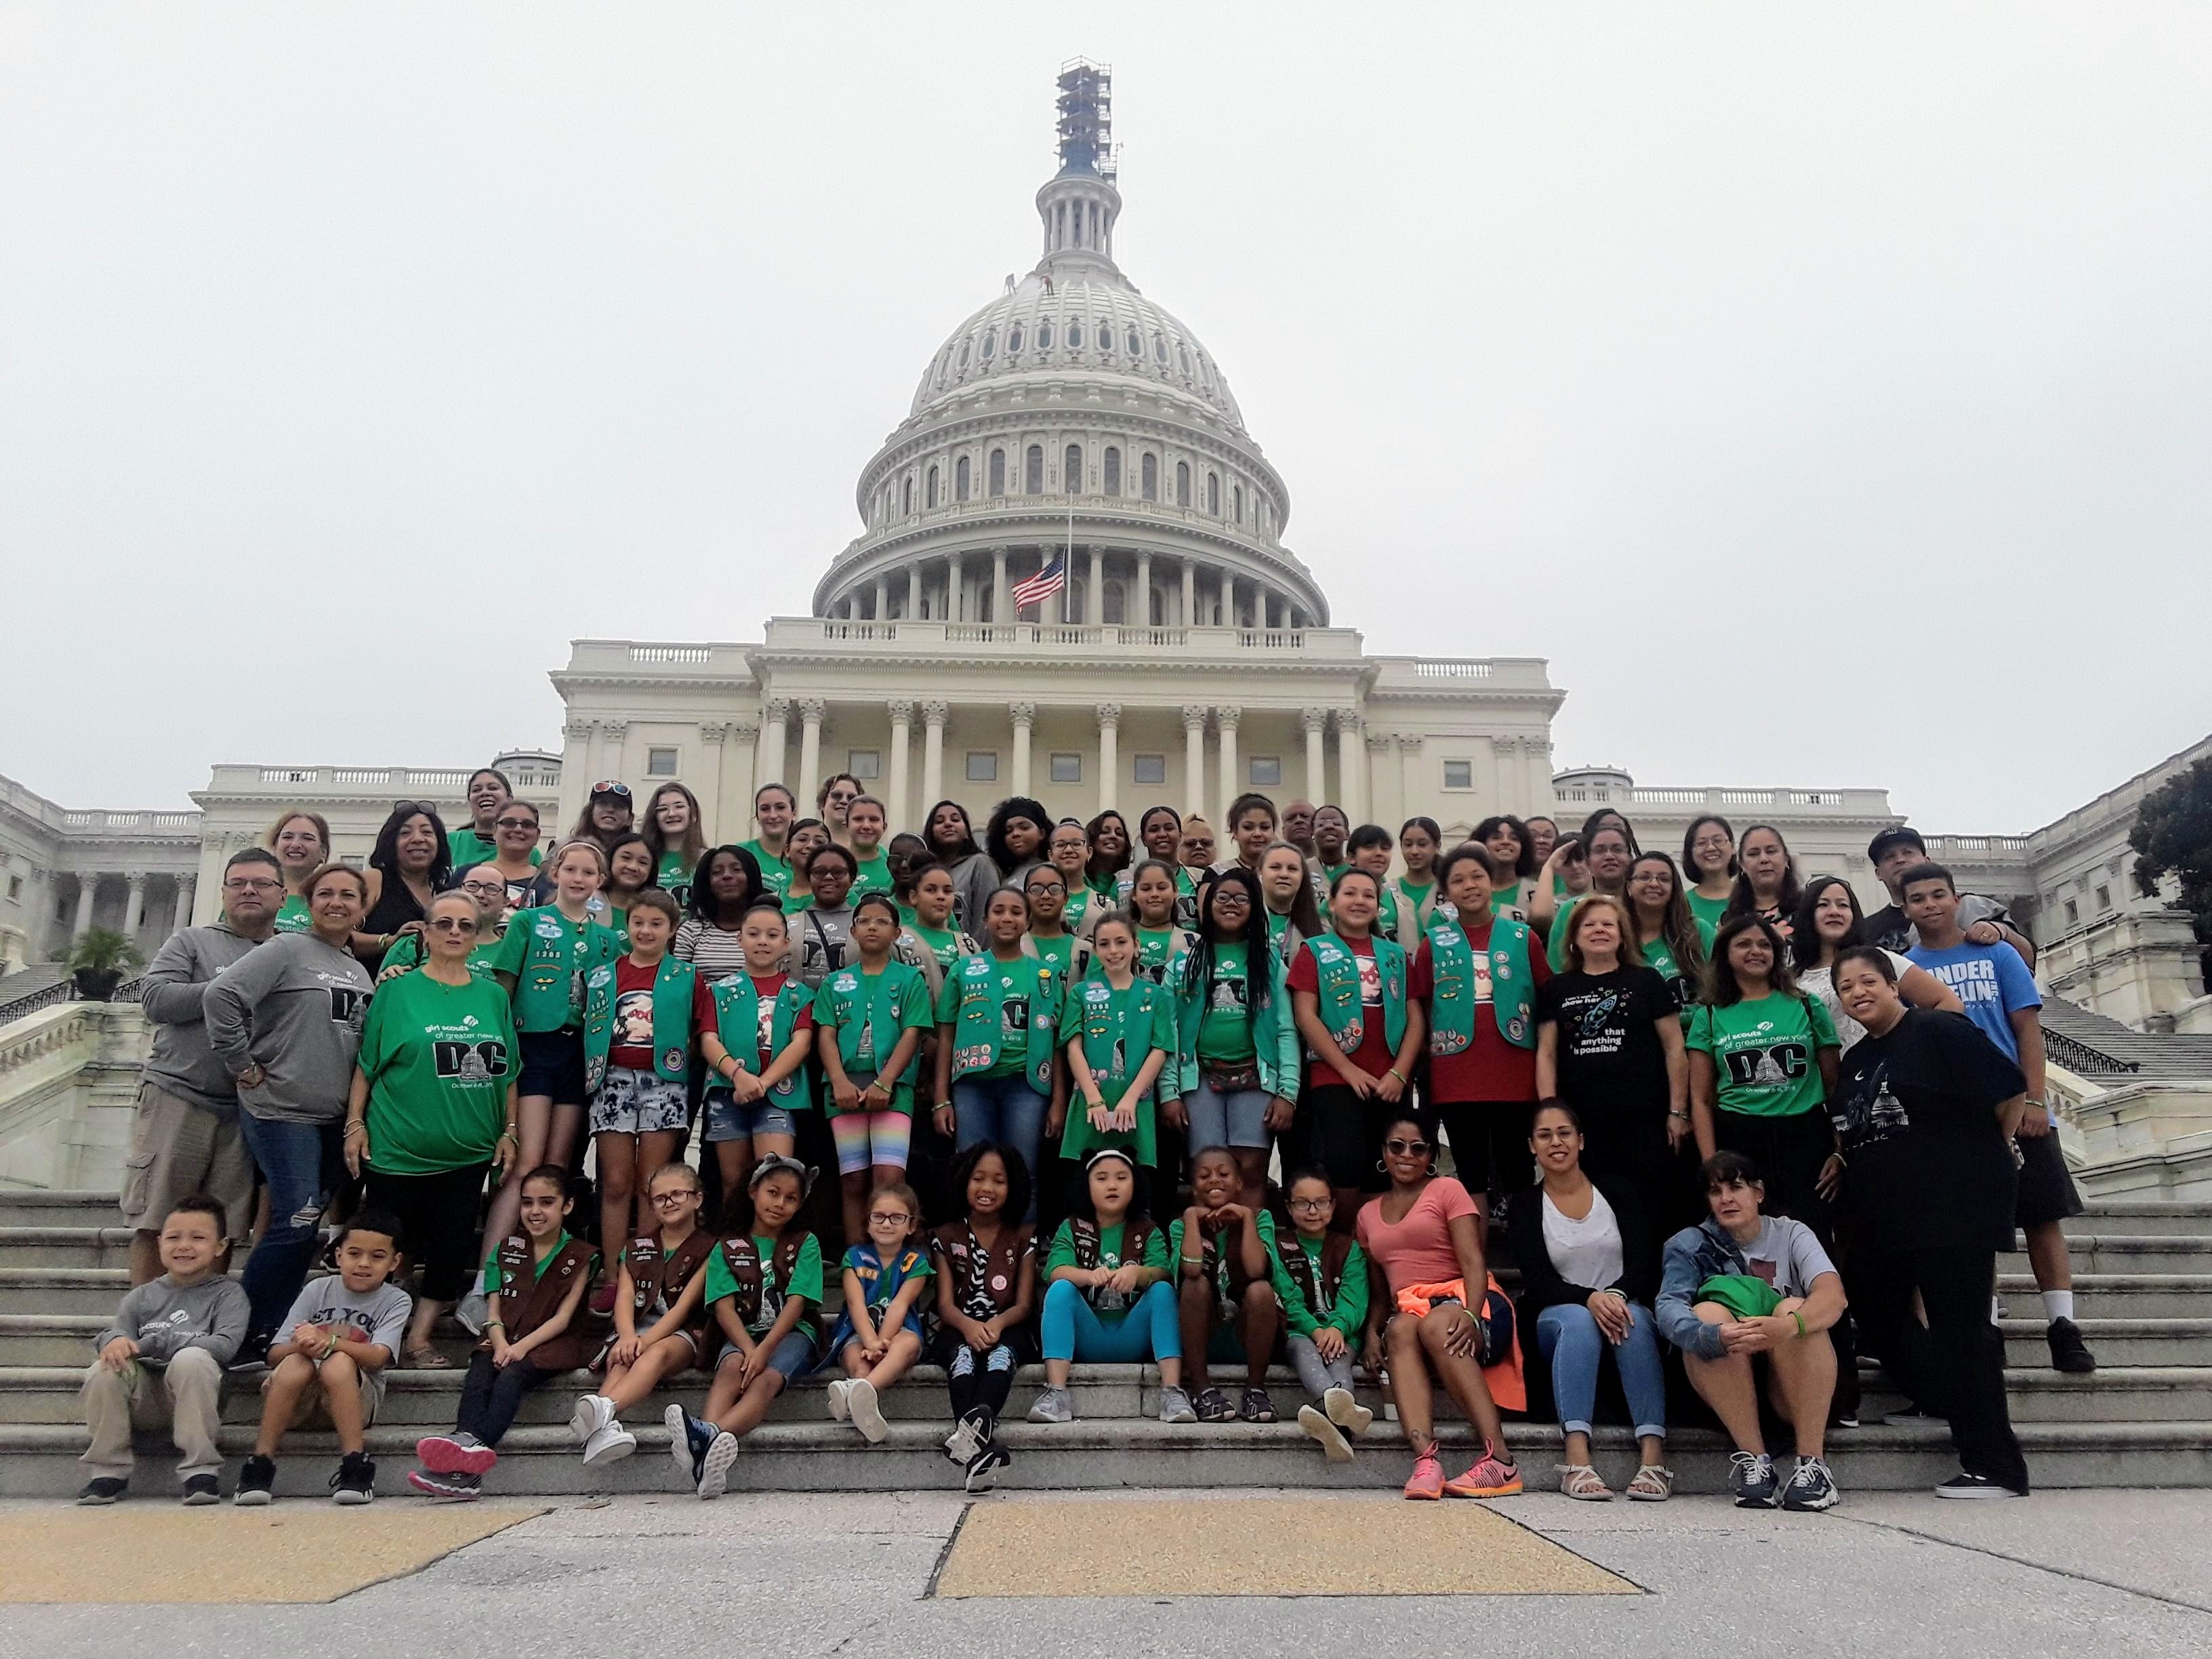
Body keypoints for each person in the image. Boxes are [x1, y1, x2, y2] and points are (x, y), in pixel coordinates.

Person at [1830, 947, 2034, 1496]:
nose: (1858, 993)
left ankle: (1995, 1466)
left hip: (1954, 1209)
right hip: (1888, 1217)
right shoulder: (1855, 1061)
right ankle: (1943, 1397)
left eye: (1868, 980)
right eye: (1847, 987)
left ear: (1894, 984)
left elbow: (2009, 1090)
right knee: (1871, 1306)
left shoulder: (1938, 1030)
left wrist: (1987, 1150)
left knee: (1962, 1331)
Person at [1902, 863, 2094, 1372]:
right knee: (1973, 1230)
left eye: (1938, 895)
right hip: (1955, 1117)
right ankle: (1985, 1330)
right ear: (1905, 908)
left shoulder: (1998, 953)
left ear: (1956, 898)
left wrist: (2035, 1098)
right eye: (1918, 898)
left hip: (2017, 1103)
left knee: (2041, 1218)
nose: (1930, 905)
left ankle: (2063, 1325)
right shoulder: (1905, 969)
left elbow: (2028, 1031)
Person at [203, 861, 374, 1359]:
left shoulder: (357, 969)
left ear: (363, 909)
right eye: (326, 893)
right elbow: (222, 996)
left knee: (306, 1224)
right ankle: (244, 1332)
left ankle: (272, 1327)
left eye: (349, 895)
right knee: (295, 1221)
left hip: (332, 1117)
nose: (337, 902)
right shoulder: (286, 948)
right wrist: (242, 1064)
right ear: (308, 901)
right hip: (282, 1108)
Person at [347, 890, 519, 1366]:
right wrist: (354, 1124)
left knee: (448, 1251)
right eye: (444, 924)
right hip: (398, 1148)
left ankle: (420, 1338)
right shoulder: (395, 991)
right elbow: (367, 1065)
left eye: (465, 925)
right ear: (425, 933)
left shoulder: (492, 997)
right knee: (387, 1248)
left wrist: (509, 1131)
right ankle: (379, 1332)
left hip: (467, 1153)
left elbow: (509, 1073)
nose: (455, 933)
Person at [1656, 1153, 1847, 1511]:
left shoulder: (1791, 1232)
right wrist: (1713, 1336)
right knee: (1707, 1314)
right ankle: (1756, 1464)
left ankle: (1814, 1466)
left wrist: (1787, 1327)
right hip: (1726, 1378)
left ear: (1759, 1193)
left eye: (1736, 1187)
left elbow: (1834, 1297)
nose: (1726, 1198)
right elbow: (1668, 1309)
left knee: (1793, 1308)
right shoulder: (1690, 1244)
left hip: (1793, 1376)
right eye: (1716, 1191)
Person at [125, 847, 281, 1286]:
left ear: (283, 896)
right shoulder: (191, 941)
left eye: (262, 883)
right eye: (239, 883)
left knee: (224, 1227)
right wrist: (226, 990)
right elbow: (156, 1000)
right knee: (159, 1218)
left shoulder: (291, 952)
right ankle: (143, 1324)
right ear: (225, 892)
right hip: (179, 1093)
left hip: (247, 1107)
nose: (249, 890)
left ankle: (203, 1327)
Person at [1356, 1108, 1524, 1500]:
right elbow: (1382, 1292)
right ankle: (1426, 1462)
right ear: (1384, 1151)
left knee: (1436, 1324)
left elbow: (1474, 1263)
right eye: (1397, 1146)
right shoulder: (1366, 1215)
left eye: (1418, 1148)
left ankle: (1501, 1460)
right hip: (1411, 1312)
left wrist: (1469, 1312)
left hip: (1473, 1303)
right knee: (1399, 1326)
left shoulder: (1447, 1190)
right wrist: (1369, 1333)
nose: (1407, 1155)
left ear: (1431, 1156)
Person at [1508, 1103, 1671, 1501]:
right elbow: (1539, 1281)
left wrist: (1612, 1295)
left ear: (1580, 1141)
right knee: (1580, 1321)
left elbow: (1645, 1263)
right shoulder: (1525, 1205)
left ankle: (1654, 1459)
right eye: (1544, 1135)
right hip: (1556, 1320)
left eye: (1564, 1133)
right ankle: (1577, 1459)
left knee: (1630, 1316)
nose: (1556, 1142)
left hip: (1621, 1308)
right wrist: (1589, 1299)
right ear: (1532, 1146)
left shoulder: (1616, 1190)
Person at [408, 1166, 595, 1500]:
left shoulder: (581, 1255)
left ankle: (467, 1455)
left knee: (510, 1377)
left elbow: (564, 1318)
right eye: (527, 1203)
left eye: (546, 1202)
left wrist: (519, 1348)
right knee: (479, 1373)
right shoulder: (504, 1249)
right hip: (500, 1339)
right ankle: (464, 1451)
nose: (535, 1211)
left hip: (550, 1343)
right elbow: (493, 1312)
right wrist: (499, 1342)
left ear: (567, 1207)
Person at [667, 1155, 824, 1500]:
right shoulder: (727, 1245)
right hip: (743, 1333)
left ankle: (707, 1436)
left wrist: (765, 1351)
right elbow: (723, 1305)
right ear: (753, 1191)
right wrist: (749, 1348)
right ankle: (707, 1464)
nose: (780, 1203)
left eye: (791, 1198)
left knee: (765, 1380)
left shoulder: (805, 1242)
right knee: (730, 1369)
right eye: (773, 1192)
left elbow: (798, 1301)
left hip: (793, 1335)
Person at [75, 1195, 250, 1505]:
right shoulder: (141, 1297)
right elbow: (118, 1336)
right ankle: (107, 1472)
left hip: (197, 1394)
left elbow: (224, 1346)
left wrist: (152, 1344)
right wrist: (113, 1342)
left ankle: (200, 1471)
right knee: (107, 1367)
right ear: (159, 1243)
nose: (184, 1246)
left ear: (220, 1247)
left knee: (192, 1358)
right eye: (173, 1238)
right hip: (145, 1400)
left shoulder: (228, 1294)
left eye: (198, 1238)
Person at [233, 1211, 411, 1505]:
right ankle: (260, 1463)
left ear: (394, 1263)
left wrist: (328, 1341)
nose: (364, 1264)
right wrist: (303, 1346)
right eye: (354, 1254)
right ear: (338, 1256)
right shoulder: (317, 1289)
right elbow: (275, 1353)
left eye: (377, 1257)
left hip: (355, 1400)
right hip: (298, 1400)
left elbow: (379, 1356)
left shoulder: (396, 1300)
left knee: (338, 1361)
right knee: (295, 1362)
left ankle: (356, 1464)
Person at [1536, 893, 1689, 1231]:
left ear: (1623, 935)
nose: (1599, 930)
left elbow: (1675, 1048)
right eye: (1589, 925)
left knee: (1653, 1207)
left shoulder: (1647, 981)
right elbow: (1546, 1053)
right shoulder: (1556, 988)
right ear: (1574, 937)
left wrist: (1678, 1111)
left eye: (1609, 924)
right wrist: (1549, 1113)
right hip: (1585, 1121)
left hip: (1645, 1120)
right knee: (1601, 1209)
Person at [1417, 844, 1549, 1218]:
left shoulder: (1524, 938)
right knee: (1470, 1174)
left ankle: (1528, 1255)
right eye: (1457, 880)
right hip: (1456, 1074)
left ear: (1492, 883)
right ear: (1446, 891)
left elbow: (1544, 1002)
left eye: (1477, 876)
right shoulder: (1433, 943)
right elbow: (1424, 1008)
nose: (1469, 886)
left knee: (1518, 1168)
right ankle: (1476, 1265)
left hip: (1514, 1070)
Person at [1289, 867, 1425, 1226]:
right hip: (1335, 1078)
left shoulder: (1396, 955)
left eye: (1369, 894)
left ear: (1379, 906)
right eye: (1350, 893)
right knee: (1344, 1163)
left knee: (1388, 1165)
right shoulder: (1313, 951)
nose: (1359, 901)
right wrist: (1347, 1069)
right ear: (1331, 903)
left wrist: (1400, 1073)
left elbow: (1415, 1018)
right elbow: (1306, 1016)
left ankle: (1379, 1245)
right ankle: (1346, 1246)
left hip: (1391, 1081)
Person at [487, 839, 622, 1195]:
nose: (579, 878)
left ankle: (545, 1248)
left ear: (601, 880)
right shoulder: (527, 922)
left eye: (588, 872)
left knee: (557, 1165)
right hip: (533, 1047)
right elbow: (503, 989)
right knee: (526, 1162)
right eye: (571, 869)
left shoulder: (608, 940)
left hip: (579, 1053)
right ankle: (499, 1248)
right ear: (555, 873)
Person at [1687, 914, 1841, 1226]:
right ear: (1725, 955)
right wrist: (1711, 1164)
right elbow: (1701, 1100)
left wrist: (1839, 1150)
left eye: (1764, 945)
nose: (1755, 951)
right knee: (1748, 1237)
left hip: (1805, 1138)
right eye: (1743, 944)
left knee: (1813, 1233)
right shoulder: (1708, 1013)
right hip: (1740, 1137)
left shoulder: (1807, 1005)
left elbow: (1834, 1087)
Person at [1164, 865, 1298, 1210]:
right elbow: (1169, 1033)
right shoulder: (1183, 964)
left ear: (1255, 906)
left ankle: (1244, 1256)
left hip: (1256, 1076)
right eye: (1222, 898)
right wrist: (1169, 1093)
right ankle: (1210, 1256)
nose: (1231, 905)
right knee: (1209, 1170)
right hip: (1200, 1078)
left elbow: (1286, 1029)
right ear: (1208, 906)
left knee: (1250, 1169)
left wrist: (1288, 1093)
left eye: (1241, 899)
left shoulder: (1269, 964)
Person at [581, 890, 697, 1286]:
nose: (645, 931)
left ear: (672, 930)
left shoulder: (686, 976)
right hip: (611, 1079)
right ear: (626, 926)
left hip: (664, 1082)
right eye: (638, 923)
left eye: (656, 924)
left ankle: (647, 1277)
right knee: (615, 1182)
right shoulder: (602, 974)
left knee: (653, 1183)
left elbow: (700, 1032)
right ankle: (614, 1277)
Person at [1028, 1147, 1190, 1425]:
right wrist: (1088, 1276)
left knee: (1163, 1291)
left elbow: (1164, 1271)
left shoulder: (1147, 1229)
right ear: (1086, 1185)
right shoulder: (1072, 1227)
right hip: (1088, 1335)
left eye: (1121, 1178)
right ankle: (1056, 1393)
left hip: (1132, 1334)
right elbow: (1055, 1270)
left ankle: (1172, 1392)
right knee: (1060, 1291)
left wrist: (1139, 1274)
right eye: (1101, 1178)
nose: (1112, 1185)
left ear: (1135, 1184)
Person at [569, 1161, 716, 1465]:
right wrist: (625, 1337)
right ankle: (603, 1432)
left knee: (654, 1353)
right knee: (622, 1358)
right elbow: (624, 1297)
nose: (669, 1202)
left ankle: (603, 1410)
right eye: (660, 1198)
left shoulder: (711, 1247)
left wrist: (643, 1341)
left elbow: (685, 1307)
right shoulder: (636, 1246)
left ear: (697, 1199)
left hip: (683, 1333)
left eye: (678, 1194)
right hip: (635, 1329)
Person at [813, 892, 935, 1241]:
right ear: (852, 930)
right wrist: (838, 1080)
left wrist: (885, 1082)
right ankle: (857, 1258)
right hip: (843, 1089)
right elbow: (826, 1035)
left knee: (889, 1179)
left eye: (882, 921)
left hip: (893, 1090)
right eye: (865, 921)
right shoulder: (835, 982)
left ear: (897, 933)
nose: (872, 927)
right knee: (852, 1179)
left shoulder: (910, 980)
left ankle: (892, 1259)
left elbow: (912, 1033)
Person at [935, 887, 1062, 1198]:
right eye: (999, 911)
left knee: (1023, 1169)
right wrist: (941, 1098)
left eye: (1017, 912)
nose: (1007, 918)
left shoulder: (1047, 974)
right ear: (985, 919)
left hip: (1027, 1085)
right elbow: (946, 1036)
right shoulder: (963, 970)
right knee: (970, 1167)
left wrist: (1058, 1101)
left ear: (1028, 920)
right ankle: (970, 1243)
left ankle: (1024, 1244)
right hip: (973, 1084)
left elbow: (1058, 1041)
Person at [929, 1142, 1038, 1492]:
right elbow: (944, 1305)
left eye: (999, 1181)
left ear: (1014, 1187)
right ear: (964, 1182)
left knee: (1001, 1356)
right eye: (979, 1179)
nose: (987, 1188)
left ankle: (972, 1448)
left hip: (1008, 1326)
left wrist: (997, 1324)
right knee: (962, 1359)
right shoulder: (946, 1236)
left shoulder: (1024, 1237)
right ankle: (982, 1452)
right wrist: (968, 1326)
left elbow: (1024, 1304)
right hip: (957, 1326)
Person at [698, 901, 815, 1218]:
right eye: (753, 933)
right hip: (727, 1092)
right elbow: (708, 1039)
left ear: (786, 943)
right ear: (740, 939)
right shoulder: (719, 991)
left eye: (772, 934)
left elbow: (801, 1044)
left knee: (776, 1178)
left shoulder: (800, 994)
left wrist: (762, 1083)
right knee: (734, 1181)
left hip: (779, 1095)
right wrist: (738, 1075)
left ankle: (774, 1255)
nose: (762, 941)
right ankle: (736, 1251)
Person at [1170, 1145, 1284, 1424]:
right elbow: (1192, 1267)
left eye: (1224, 1174)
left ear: (1239, 1183)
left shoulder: (1260, 1218)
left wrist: (1246, 1219)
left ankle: (1255, 1390)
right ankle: (1201, 1389)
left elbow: (1257, 1270)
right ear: (1193, 1185)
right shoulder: (1179, 1225)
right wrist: (1190, 1220)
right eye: (1204, 1175)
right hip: (1204, 1335)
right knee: (1194, 1285)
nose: (1214, 1181)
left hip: (1248, 1335)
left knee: (1260, 1291)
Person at [1059, 913, 1174, 1187]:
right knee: (1082, 1186)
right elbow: (1073, 1046)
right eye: (1104, 944)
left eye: (1121, 942)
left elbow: (1160, 1049)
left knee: (1136, 1184)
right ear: (1095, 949)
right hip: (1089, 1103)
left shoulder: (1154, 995)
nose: (1113, 951)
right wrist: (1093, 1098)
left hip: (1136, 1105)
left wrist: (1131, 1097)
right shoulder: (1080, 993)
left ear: (1136, 946)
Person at [1270, 1170, 1373, 1461]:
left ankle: (1333, 1425)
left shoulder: (1347, 1247)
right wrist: (1316, 1330)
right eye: (1303, 1203)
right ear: (1289, 1207)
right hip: (1299, 1332)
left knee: (1339, 1360)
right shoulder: (1280, 1246)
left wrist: (1338, 1328)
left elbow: (1355, 1298)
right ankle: (1346, 1420)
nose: (1313, 1211)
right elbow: (1287, 1296)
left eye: (1321, 1202)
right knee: (1305, 1350)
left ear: (1333, 1205)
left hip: (1344, 1334)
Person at [1791, 874, 1961, 1050]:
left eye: (1843, 905)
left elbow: (1947, 1001)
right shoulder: (1793, 978)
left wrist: (1918, 1049)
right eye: (1823, 905)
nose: (1834, 911)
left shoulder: (1879, 959)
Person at [822, 1181, 934, 1443]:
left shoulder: (917, 1262)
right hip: (857, 1331)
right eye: (879, 1216)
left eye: (897, 1218)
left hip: (900, 1330)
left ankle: (856, 1392)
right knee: (857, 1361)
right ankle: (862, 1397)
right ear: (868, 1222)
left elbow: (900, 1304)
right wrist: (870, 1342)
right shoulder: (854, 1257)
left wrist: (881, 1342)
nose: (887, 1224)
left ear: (912, 1225)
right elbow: (855, 1303)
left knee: (907, 1344)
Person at [1861, 825, 2036, 968]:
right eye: (1889, 857)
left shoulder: (1973, 907)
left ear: (1927, 860)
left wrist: (2001, 931)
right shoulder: (1866, 931)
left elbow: (2027, 960)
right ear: (1878, 873)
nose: (1900, 860)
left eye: (1908, 853)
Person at [357, 802, 452, 974]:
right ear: (392, 842)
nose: (417, 839)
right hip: (373, 989)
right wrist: (390, 942)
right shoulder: (375, 880)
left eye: (427, 832)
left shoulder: (447, 894)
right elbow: (339, 936)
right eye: (405, 833)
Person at [1532, 821, 1634, 972]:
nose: (1609, 856)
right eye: (1600, 851)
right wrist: (1549, 866)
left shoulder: (1641, 903)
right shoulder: (1569, 908)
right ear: (1590, 862)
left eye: (1617, 849)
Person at [1625, 851, 1711, 1014]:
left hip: (1697, 1034)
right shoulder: (1617, 936)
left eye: (1664, 879)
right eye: (1644, 877)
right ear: (1629, 887)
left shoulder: (1699, 930)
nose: (1654, 884)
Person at [674, 843, 768, 985]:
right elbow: (680, 985)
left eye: (736, 869)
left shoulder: (767, 929)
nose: (727, 876)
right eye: (717, 872)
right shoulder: (691, 931)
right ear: (707, 883)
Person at [962, 796, 1050, 929]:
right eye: (1009, 831)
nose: (1016, 834)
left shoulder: (1053, 872)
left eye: (1024, 828)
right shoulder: (1001, 876)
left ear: (1042, 833)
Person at [894, 859, 977, 994]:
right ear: (913, 897)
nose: (941, 896)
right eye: (931, 890)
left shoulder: (969, 945)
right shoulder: (898, 942)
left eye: (948, 891)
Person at [1719, 823, 1805, 938]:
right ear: (1742, 865)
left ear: (1786, 859)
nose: (1764, 859)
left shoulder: (1807, 909)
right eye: (1753, 854)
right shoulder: (1730, 919)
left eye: (1771, 851)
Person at [792, 842, 859, 985]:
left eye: (838, 872)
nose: (829, 877)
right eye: (819, 872)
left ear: (852, 879)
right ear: (809, 878)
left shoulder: (863, 924)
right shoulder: (789, 924)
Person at [922, 799, 993, 931]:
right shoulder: (926, 870)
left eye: (955, 820)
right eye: (939, 821)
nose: (948, 824)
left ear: (967, 832)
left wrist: (977, 951)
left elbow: (984, 918)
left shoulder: (980, 864)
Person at [1125, 859, 1197, 984]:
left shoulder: (1193, 942)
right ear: (1134, 894)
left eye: (1162, 887)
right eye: (1146, 889)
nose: (1154, 894)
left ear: (1175, 891)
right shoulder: (1120, 937)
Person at [642, 782, 708, 909]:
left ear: (693, 814)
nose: (671, 814)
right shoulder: (644, 859)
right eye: (663, 809)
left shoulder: (707, 859)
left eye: (679, 807)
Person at [264, 810, 331, 934]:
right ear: (274, 847)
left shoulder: (331, 901)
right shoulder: (254, 894)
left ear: (323, 852)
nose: (295, 844)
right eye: (287, 837)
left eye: (307, 838)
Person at [449, 769, 529, 871]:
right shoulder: (449, 843)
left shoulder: (528, 851)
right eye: (476, 790)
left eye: (493, 788)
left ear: (510, 800)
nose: (485, 793)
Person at [1258, 839, 1324, 962]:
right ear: (1260, 872)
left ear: (1302, 876)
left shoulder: (1320, 926)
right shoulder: (1245, 921)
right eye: (1275, 867)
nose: (1284, 874)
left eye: (1292, 869)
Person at [483, 800, 549, 916]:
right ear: (494, 830)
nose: (518, 829)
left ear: (538, 835)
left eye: (527, 825)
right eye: (509, 823)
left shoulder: (550, 885)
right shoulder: (465, 875)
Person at [738, 783, 798, 904]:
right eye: (765, 809)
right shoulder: (740, 854)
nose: (773, 815)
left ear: (794, 814)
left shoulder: (805, 855)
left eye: (780, 807)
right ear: (757, 816)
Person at [1389, 817, 1443, 948]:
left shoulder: (1448, 892)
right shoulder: (1388, 891)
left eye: (1422, 844)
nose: (1414, 851)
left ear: (1437, 846)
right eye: (1408, 845)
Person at [1472, 815, 1539, 918]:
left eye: (1514, 838)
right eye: (1496, 838)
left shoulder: (1538, 891)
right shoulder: (1469, 890)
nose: (1505, 842)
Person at [1681, 815, 1736, 936]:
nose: (1711, 848)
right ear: (1691, 853)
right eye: (1701, 843)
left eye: (1718, 841)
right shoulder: (1681, 904)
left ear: (1733, 847)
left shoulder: (1753, 897)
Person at [1021, 860, 1077, 979]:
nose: (1046, 895)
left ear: (1066, 899)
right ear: (1025, 897)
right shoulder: (1014, 946)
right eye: (1036, 889)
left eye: (1055, 889)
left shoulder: (1083, 950)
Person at [1345, 823, 1402, 938]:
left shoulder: (1404, 903)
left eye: (1385, 849)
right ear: (1351, 857)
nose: (1379, 853)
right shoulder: (1334, 899)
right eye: (1369, 847)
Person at [1043, 820, 1099, 937]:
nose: (1068, 850)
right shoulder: (1037, 901)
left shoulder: (1106, 905)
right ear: (1050, 855)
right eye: (1061, 845)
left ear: (1089, 852)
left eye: (1077, 844)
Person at [601, 832, 655, 941]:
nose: (633, 867)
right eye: (626, 858)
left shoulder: (654, 912)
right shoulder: (587, 902)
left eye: (643, 863)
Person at [571, 780, 637, 861]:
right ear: (591, 811)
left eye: (619, 806)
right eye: (602, 804)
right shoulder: (566, 849)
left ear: (630, 819)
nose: (610, 810)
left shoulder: (636, 857)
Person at [846, 795, 895, 897]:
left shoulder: (894, 866)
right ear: (846, 825)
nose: (866, 826)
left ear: (884, 827)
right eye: (858, 819)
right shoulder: (834, 864)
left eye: (874, 819)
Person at [1219, 793, 1278, 878]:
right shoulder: (1218, 872)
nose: (1257, 834)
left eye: (1265, 827)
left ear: (1274, 831)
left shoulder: (1283, 874)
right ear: (1235, 832)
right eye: (1248, 827)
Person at [1084, 808, 1133, 905]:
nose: (1113, 836)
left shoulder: (1131, 880)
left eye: (1119, 834)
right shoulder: (1080, 878)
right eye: (1105, 832)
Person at [1174, 817, 1217, 923]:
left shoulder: (1227, 878)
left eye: (1206, 843)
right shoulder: (1166, 879)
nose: (1199, 847)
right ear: (1178, 849)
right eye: (1190, 844)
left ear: (1215, 849)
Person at [1311, 805, 1351, 890]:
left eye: (1337, 824)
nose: (1329, 827)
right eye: (1321, 825)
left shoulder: (1358, 874)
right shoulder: (1302, 871)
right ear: (1312, 834)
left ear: (1347, 834)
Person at [817, 771, 863, 844]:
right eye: (837, 795)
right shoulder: (808, 846)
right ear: (822, 803)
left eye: (851, 798)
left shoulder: (875, 852)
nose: (844, 801)